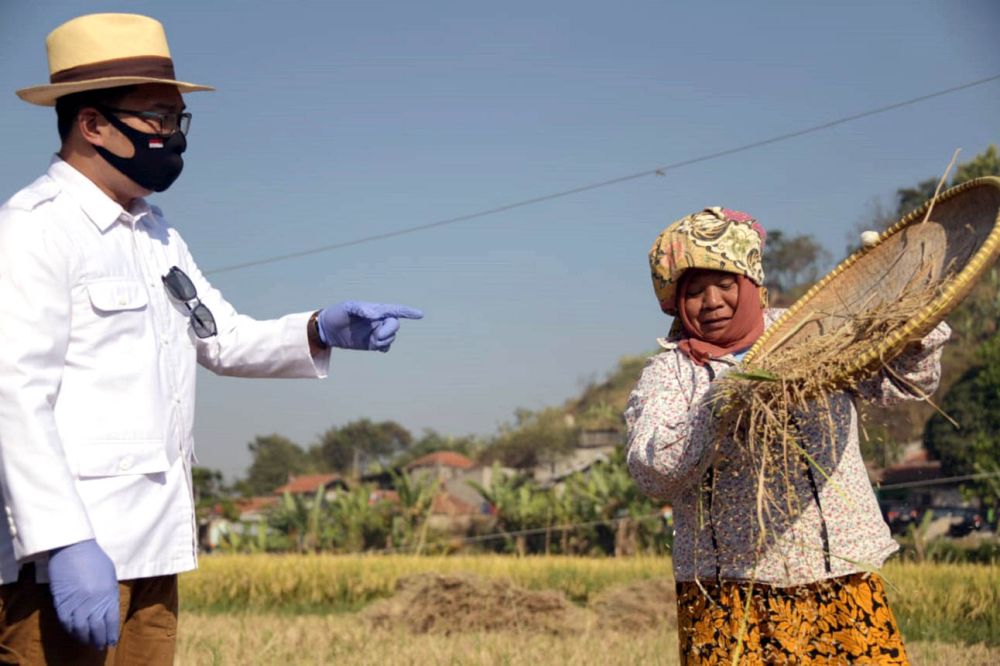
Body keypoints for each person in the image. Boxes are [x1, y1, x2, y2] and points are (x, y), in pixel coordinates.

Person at [0, 13, 422, 664]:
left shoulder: (157, 232)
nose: (174, 137)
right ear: (92, 124)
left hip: (150, 549)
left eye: (178, 121)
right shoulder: (33, 231)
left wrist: (318, 328)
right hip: (65, 561)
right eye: (158, 119)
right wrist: (61, 541)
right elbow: (13, 398)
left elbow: (219, 337)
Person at [626, 207, 950, 664]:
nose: (712, 301)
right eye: (694, 292)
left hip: (838, 578)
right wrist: (718, 406)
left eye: (725, 283)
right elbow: (654, 473)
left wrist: (905, 310)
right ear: (677, 303)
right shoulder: (672, 374)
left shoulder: (814, 330)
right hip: (729, 595)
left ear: (751, 282)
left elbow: (902, 385)